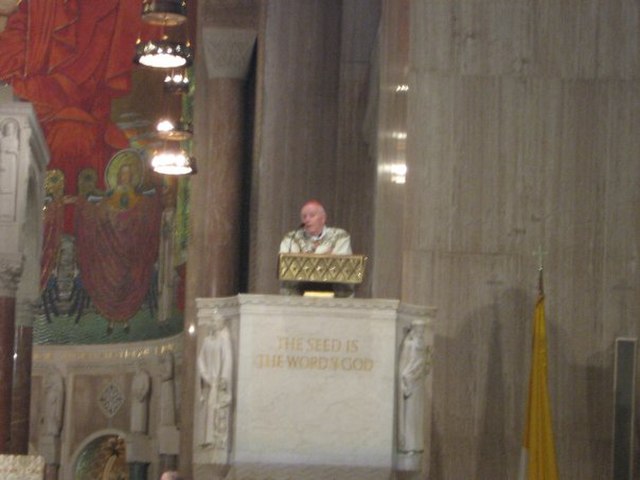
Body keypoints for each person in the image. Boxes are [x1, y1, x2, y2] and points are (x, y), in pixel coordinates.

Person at [279, 199, 353, 296]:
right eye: (304, 216)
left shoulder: (340, 236)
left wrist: (304, 256)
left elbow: (342, 264)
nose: (307, 220)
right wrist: (326, 254)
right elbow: (287, 263)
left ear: (323, 218)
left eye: (312, 215)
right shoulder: (291, 237)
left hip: (334, 291)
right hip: (298, 292)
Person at [197, 312, 233, 449]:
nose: (215, 323)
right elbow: (200, 359)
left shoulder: (224, 339)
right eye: (213, 320)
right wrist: (205, 374)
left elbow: (227, 359)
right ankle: (205, 439)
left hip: (218, 380)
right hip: (208, 380)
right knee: (206, 410)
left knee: (215, 408)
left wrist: (224, 377)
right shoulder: (207, 340)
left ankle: (213, 439)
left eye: (217, 321)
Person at [397, 320, 429, 454]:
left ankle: (416, 445)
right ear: (415, 329)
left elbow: (424, 361)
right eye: (419, 329)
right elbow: (405, 363)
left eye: (423, 329)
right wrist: (405, 379)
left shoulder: (423, 343)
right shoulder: (409, 344)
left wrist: (425, 365)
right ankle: (408, 445)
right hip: (410, 380)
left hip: (418, 381)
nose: (421, 332)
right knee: (409, 415)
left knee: (417, 415)